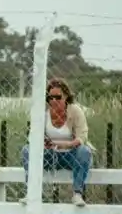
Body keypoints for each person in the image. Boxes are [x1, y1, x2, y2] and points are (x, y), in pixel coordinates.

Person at [21, 77, 94, 206]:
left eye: (58, 97)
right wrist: (42, 142)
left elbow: (82, 138)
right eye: (50, 98)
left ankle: (77, 193)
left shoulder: (75, 111)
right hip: (49, 155)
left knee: (85, 151)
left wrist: (62, 144)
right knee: (27, 150)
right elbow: (32, 136)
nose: (54, 101)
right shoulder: (43, 113)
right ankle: (32, 193)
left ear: (66, 96)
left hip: (70, 155)